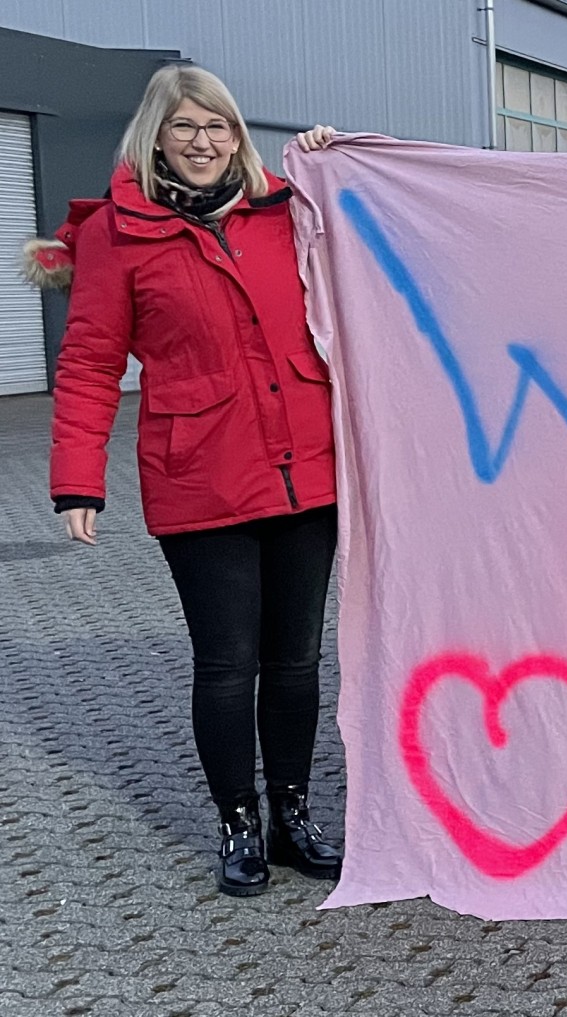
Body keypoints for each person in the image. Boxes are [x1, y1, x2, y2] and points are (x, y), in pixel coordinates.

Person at [30, 65, 345, 897]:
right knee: (228, 662)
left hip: (305, 470)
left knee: (296, 660)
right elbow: (91, 360)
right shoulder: (118, 234)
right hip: (200, 473)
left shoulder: (287, 210)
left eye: (218, 125)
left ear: (237, 134)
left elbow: (368, 258)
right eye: (185, 127)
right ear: (156, 137)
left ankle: (293, 814)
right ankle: (239, 821)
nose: (203, 142)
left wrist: (328, 161)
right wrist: (77, 479)